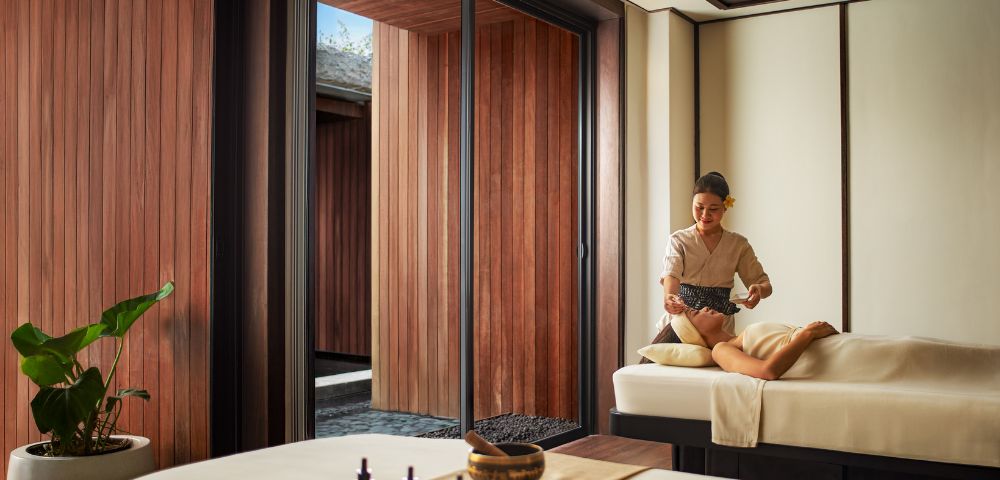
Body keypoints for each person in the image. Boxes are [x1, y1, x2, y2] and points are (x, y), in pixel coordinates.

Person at [660, 172, 772, 335]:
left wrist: (759, 290)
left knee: (720, 358)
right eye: (699, 207)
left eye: (713, 209)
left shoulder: (738, 245)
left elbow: (765, 285)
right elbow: (672, 274)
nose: (705, 215)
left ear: (725, 207)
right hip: (682, 323)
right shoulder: (679, 240)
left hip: (719, 328)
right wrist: (669, 296)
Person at [660, 306, 839, 380]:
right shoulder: (721, 350)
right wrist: (807, 333)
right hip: (831, 359)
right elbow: (767, 371)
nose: (704, 308)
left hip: (835, 348)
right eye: (696, 313)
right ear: (694, 333)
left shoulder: (738, 339)